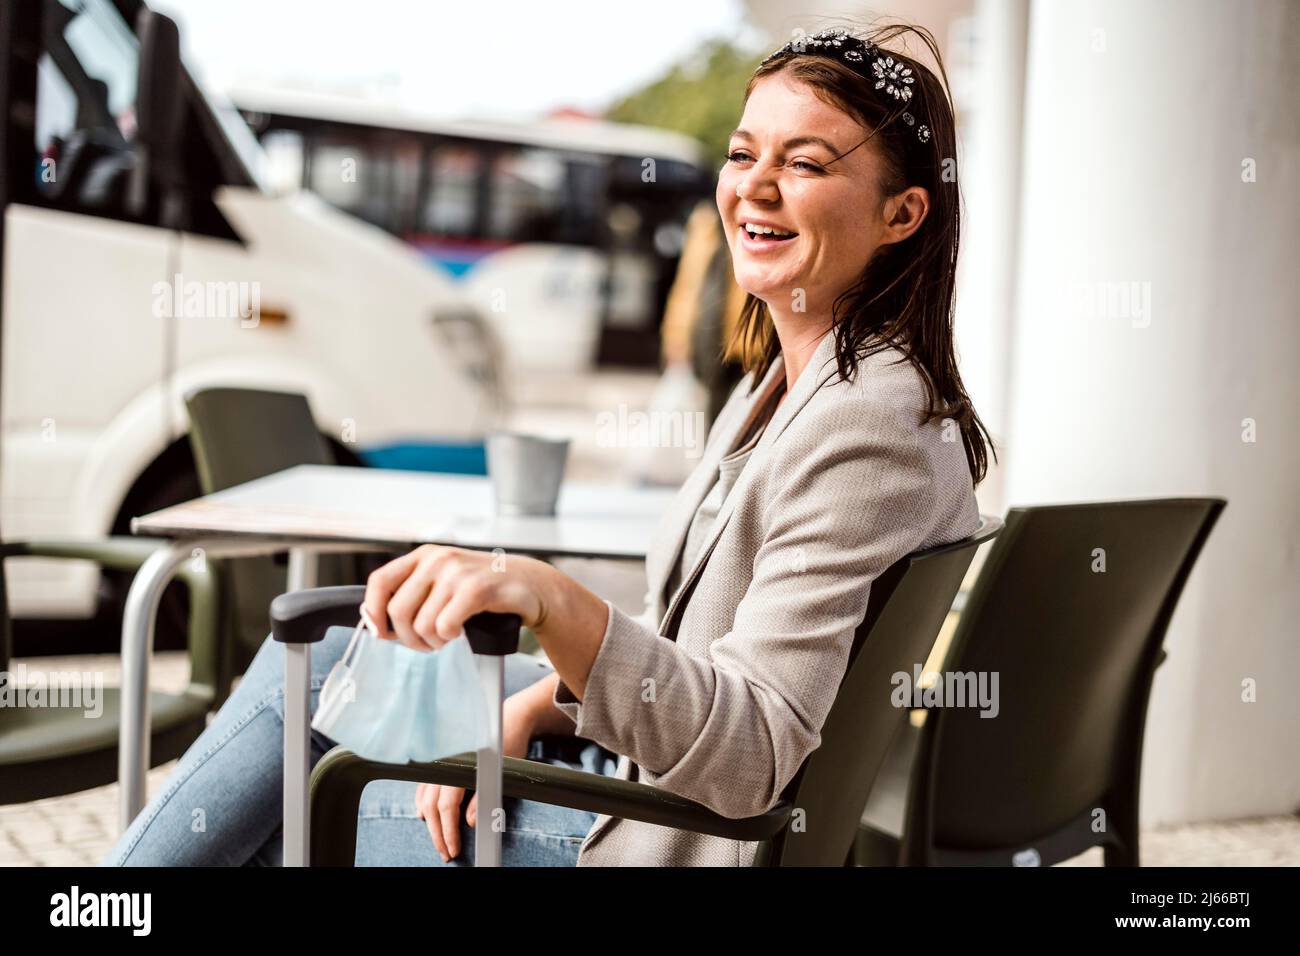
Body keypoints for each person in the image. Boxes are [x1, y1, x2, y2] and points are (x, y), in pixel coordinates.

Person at [103, 22, 994, 867]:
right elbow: (702, 642)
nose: (754, 185)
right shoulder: (795, 385)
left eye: (803, 163)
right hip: (640, 782)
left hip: (669, 836)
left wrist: (552, 599)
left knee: (288, 805)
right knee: (338, 654)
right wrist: (543, 696)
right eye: (742, 153)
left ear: (902, 214)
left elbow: (752, 752)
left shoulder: (866, 424)